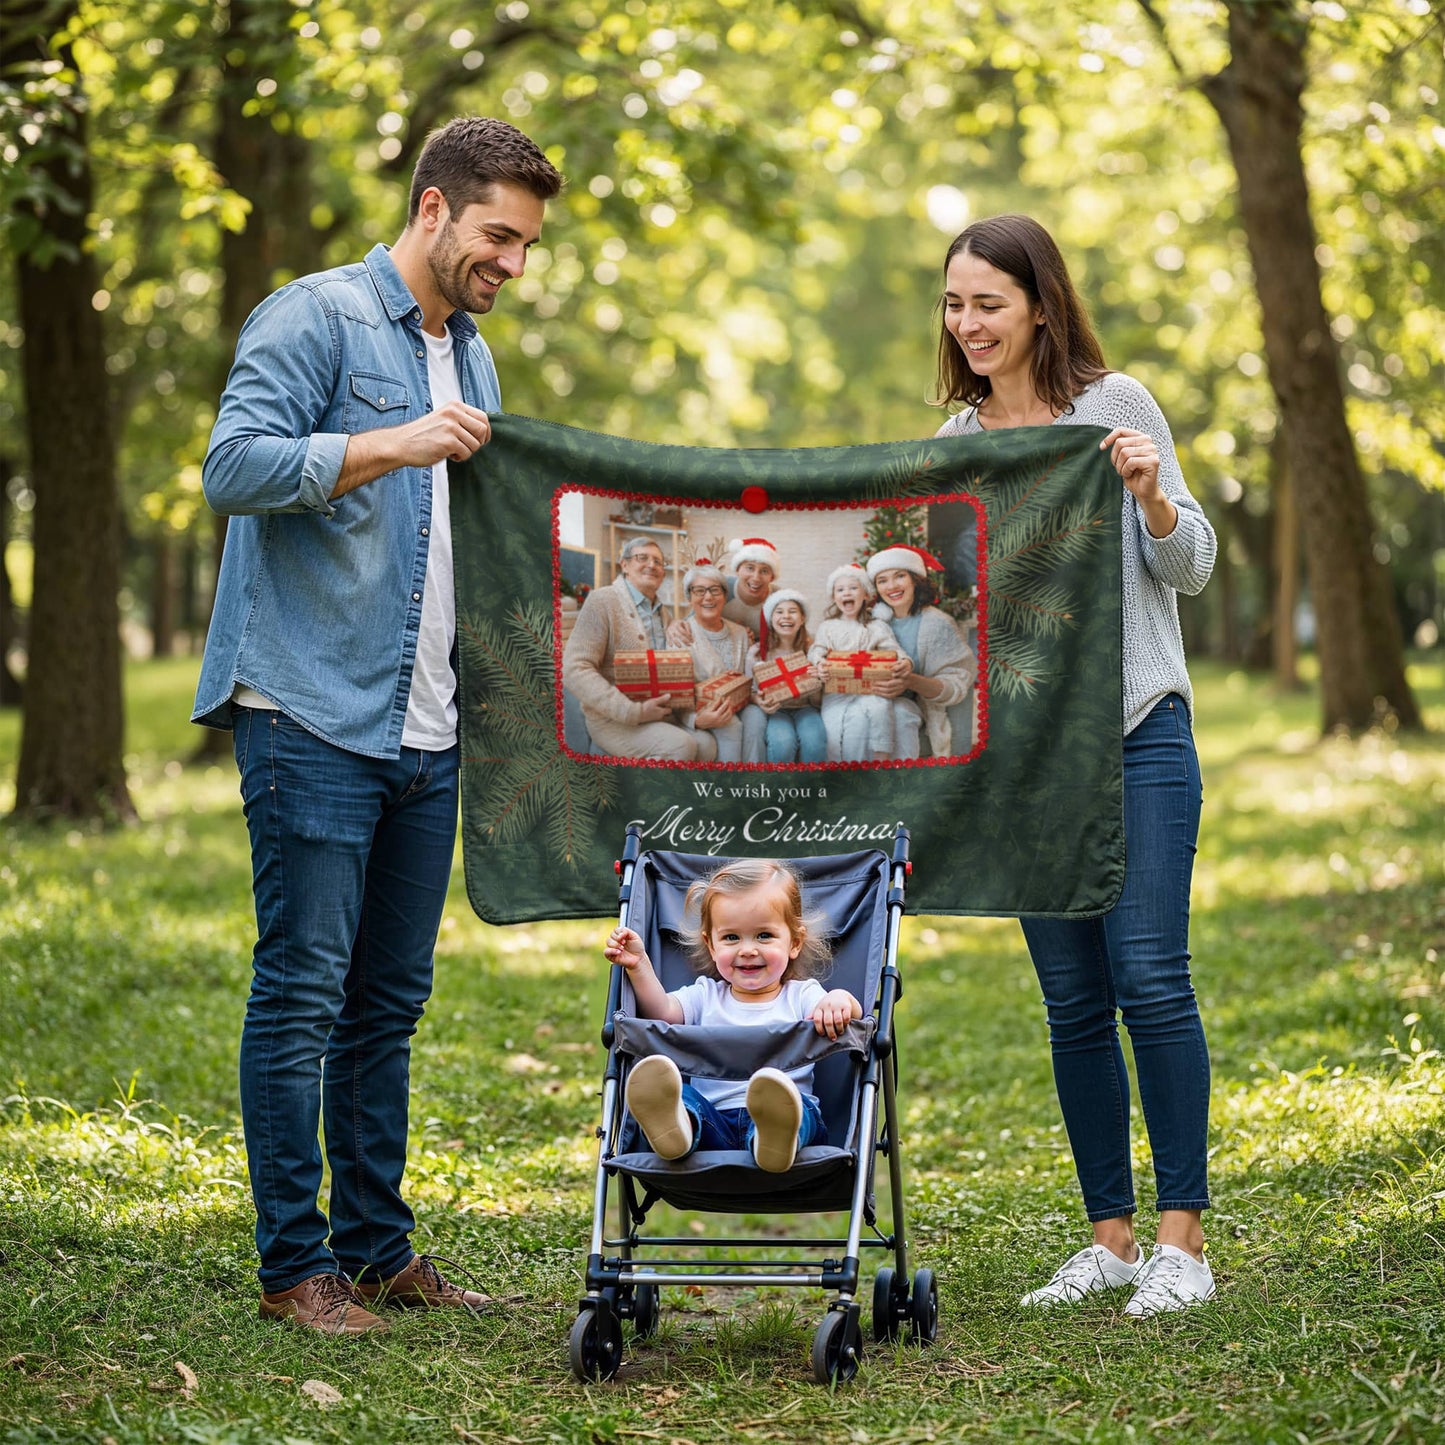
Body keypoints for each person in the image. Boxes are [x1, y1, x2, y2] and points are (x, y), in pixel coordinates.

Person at [191, 117, 563, 1334]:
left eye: (525, 245)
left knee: (388, 1001)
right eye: (497, 236)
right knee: (302, 987)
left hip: (427, 722)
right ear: (432, 210)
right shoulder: (313, 318)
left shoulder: (477, 359)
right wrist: (386, 441)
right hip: (309, 706)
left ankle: (376, 1248)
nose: (511, 262)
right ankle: (293, 1267)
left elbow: (457, 534)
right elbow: (233, 467)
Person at [932, 214, 1218, 1316]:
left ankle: (1179, 1243)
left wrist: (1149, 493)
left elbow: (1186, 563)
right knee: (1069, 1000)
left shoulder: (1116, 405)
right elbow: (957, 618)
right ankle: (1106, 1239)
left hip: (1139, 731)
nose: (968, 326)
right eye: (954, 305)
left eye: (987, 303)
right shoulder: (958, 449)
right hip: (1030, 761)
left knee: (1148, 975)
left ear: (1039, 304)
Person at [603, 858, 862, 1172]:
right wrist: (639, 964)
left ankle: (773, 1138)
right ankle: (678, 1128)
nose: (748, 949)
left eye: (764, 935)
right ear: (710, 946)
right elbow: (664, 1015)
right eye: (731, 938)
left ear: (794, 942)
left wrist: (839, 999)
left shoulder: (802, 995)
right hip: (716, 1123)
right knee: (684, 1098)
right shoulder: (705, 995)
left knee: (800, 1109)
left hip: (791, 1122)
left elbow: (850, 1012)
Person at [562, 537, 712, 761]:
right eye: (642, 558)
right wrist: (633, 712)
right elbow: (574, 668)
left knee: (708, 745)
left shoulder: (662, 612)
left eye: (658, 562)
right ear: (625, 565)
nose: (652, 565)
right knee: (681, 746)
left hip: (660, 713)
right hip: (613, 719)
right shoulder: (602, 601)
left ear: (663, 573)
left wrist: (672, 624)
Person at [864, 545, 977, 759]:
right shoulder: (873, 623)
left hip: (921, 711)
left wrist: (910, 681)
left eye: (900, 576)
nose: (892, 586)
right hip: (876, 706)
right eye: (882, 580)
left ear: (915, 580)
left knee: (899, 714)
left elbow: (957, 686)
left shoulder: (937, 623)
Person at [807, 564, 900, 763]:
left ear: (866, 594)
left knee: (881, 708)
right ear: (834, 597)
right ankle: (838, 772)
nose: (846, 593)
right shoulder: (828, 626)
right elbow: (817, 649)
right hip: (836, 691)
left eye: (853, 588)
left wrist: (904, 662)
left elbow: (894, 652)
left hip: (870, 688)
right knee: (832, 729)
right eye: (840, 590)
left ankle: (881, 759)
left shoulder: (877, 626)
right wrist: (820, 663)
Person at [674, 560, 761, 763]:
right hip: (701, 711)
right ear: (688, 597)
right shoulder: (680, 635)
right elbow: (674, 695)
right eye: (699, 591)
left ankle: (755, 781)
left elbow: (748, 679)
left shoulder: (740, 633)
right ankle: (730, 787)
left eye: (715, 590)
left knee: (756, 718)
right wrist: (696, 721)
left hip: (738, 705)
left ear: (724, 595)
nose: (708, 597)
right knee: (730, 724)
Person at [747, 589, 827, 764]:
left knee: (815, 741)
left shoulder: (813, 649)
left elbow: (818, 701)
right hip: (777, 711)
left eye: (792, 611)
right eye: (779, 612)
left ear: (802, 618)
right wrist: (760, 701)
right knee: (782, 742)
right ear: (770, 618)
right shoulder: (758, 652)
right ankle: (781, 788)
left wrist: (815, 683)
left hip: (807, 708)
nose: (786, 617)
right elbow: (750, 692)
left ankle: (812, 788)